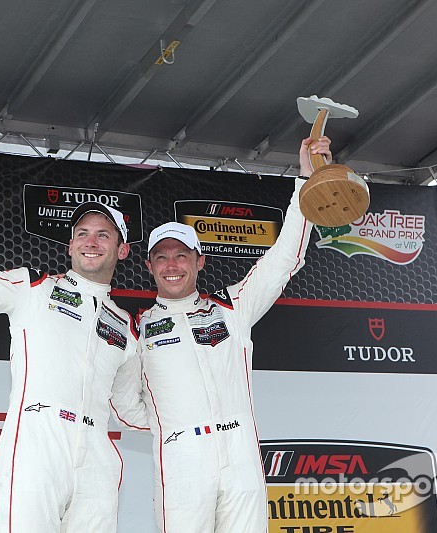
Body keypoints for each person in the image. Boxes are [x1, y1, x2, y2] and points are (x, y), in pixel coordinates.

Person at [0, 170, 147, 532]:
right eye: (82, 234)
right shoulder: (32, 288)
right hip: (38, 439)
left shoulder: (126, 326)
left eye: (103, 235)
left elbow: (129, 411)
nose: (90, 242)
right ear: (69, 245)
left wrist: (192, 424)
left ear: (121, 249)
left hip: (97, 450)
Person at [138, 136, 331, 532]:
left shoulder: (232, 307)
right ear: (149, 265)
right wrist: (171, 425)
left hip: (240, 452)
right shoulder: (136, 328)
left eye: (181, 255)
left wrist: (307, 181)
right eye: (162, 256)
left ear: (200, 261)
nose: (172, 264)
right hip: (181, 459)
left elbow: (283, 260)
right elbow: (124, 400)